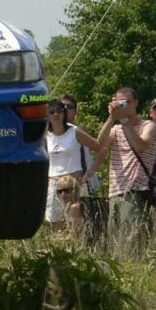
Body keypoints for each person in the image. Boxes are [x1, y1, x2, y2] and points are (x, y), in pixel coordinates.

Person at [96, 87, 156, 254]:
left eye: (127, 102)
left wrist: (123, 120)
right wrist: (111, 118)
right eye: (120, 103)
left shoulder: (149, 126)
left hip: (136, 191)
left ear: (136, 103)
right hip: (115, 192)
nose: (124, 106)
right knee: (115, 246)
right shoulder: (116, 129)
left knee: (131, 247)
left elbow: (140, 146)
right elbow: (100, 144)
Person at [45, 99, 102, 232]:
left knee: (78, 225)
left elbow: (101, 149)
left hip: (75, 182)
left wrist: (89, 173)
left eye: (59, 111)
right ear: (47, 116)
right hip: (55, 185)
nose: (56, 115)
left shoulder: (74, 131)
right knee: (57, 226)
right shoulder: (47, 136)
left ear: (64, 114)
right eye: (52, 112)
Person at [61, 93, 106, 246]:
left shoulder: (77, 131)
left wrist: (88, 174)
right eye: (62, 107)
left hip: (82, 186)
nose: (65, 110)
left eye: (69, 107)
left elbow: (101, 149)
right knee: (63, 226)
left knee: (83, 227)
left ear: (75, 111)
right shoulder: (52, 133)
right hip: (61, 188)